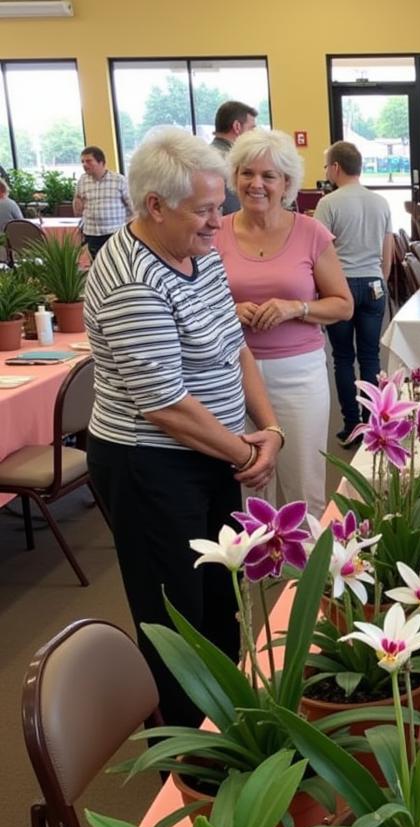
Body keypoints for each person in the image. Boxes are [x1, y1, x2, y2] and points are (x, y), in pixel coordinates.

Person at [85, 126, 283, 729]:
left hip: (210, 451)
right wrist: (246, 454)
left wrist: (267, 429)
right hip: (150, 464)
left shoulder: (197, 252)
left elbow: (233, 346)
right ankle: (188, 757)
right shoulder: (129, 279)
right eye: (203, 210)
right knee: (176, 614)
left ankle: (228, 723)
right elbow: (164, 404)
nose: (217, 222)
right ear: (155, 206)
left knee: (221, 595)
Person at [217, 128, 353, 517]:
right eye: (246, 173)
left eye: (268, 176)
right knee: (243, 483)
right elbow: (195, 304)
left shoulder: (310, 233)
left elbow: (343, 306)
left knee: (302, 484)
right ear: (234, 177)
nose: (255, 184)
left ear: (287, 183)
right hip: (229, 375)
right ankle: (248, 576)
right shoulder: (214, 233)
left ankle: (306, 577)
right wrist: (230, 310)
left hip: (298, 375)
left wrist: (297, 308)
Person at [314, 140, 393, 447]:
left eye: (326, 166)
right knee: (371, 356)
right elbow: (388, 250)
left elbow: (320, 251)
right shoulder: (380, 202)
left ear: (335, 167)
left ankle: (351, 426)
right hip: (374, 284)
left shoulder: (329, 203)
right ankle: (374, 423)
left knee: (344, 357)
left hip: (340, 287)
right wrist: (381, 280)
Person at [73, 145, 133, 259]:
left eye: (89, 161)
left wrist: (128, 229)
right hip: (92, 233)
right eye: (82, 162)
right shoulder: (82, 180)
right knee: (97, 266)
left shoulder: (119, 180)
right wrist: (77, 202)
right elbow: (78, 212)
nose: (84, 165)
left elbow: (133, 207)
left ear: (101, 162)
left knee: (117, 264)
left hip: (114, 233)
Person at [209, 100, 258, 214]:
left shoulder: (203, 156)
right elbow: (234, 212)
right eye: (252, 129)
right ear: (237, 127)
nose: (255, 135)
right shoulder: (232, 163)